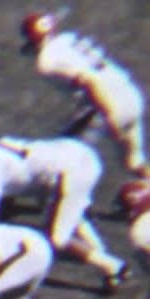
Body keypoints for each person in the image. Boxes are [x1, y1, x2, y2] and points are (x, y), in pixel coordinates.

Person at [0, 126, 128, 291]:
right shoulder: (3, 142)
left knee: (58, 239)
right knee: (70, 216)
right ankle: (102, 255)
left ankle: (114, 266)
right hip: (73, 152)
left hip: (71, 173)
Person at [21, 12, 147, 178]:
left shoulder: (47, 61)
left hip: (108, 103)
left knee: (67, 152)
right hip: (130, 93)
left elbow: (88, 81)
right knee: (134, 160)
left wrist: (109, 115)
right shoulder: (69, 37)